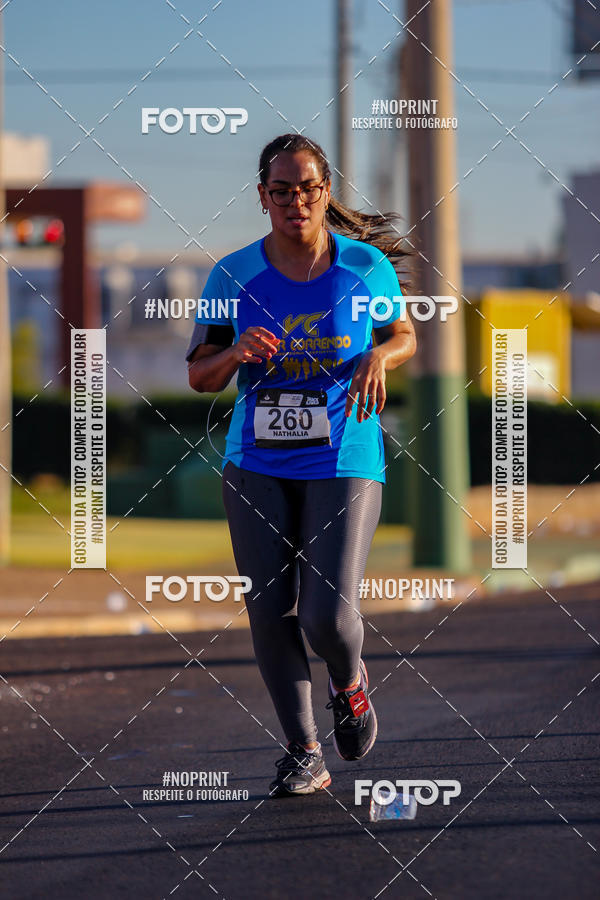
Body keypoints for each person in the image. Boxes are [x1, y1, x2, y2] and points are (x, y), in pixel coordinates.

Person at [186, 133, 416, 797]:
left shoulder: (364, 267)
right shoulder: (232, 275)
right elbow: (199, 374)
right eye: (281, 191)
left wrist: (378, 356)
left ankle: (349, 683)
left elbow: (403, 335)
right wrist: (235, 354)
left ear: (325, 192)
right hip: (257, 462)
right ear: (263, 197)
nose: (296, 202)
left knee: (327, 617)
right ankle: (303, 751)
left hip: (344, 456)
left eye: (308, 189)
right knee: (270, 611)